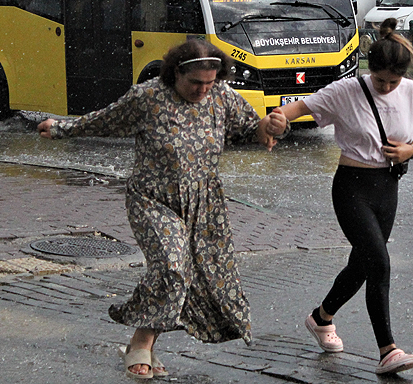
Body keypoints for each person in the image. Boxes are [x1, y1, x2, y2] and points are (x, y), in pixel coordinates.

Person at [37, 40, 287, 379]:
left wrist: (271, 127)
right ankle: (140, 343)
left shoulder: (222, 96)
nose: (202, 90)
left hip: (204, 204)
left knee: (201, 277)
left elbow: (249, 129)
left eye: (209, 83)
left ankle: (145, 344)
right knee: (172, 266)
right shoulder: (148, 97)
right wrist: (61, 128)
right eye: (195, 83)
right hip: (152, 200)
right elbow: (104, 121)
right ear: (175, 74)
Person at [273, 18, 413, 375]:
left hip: (388, 187)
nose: (387, 87)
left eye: (394, 81)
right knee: (380, 261)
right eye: (381, 80)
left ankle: (321, 316)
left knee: (363, 263)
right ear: (370, 71)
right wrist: (278, 119)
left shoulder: (412, 91)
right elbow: (300, 108)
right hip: (352, 187)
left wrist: (409, 151)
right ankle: (388, 349)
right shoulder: (346, 91)